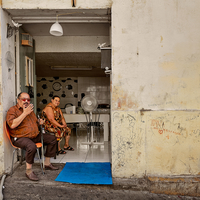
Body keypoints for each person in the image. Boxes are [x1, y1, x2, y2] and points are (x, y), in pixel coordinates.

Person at [6, 92, 58, 181]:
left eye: (28, 100)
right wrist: (25, 113)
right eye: (24, 99)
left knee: (52, 139)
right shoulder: (13, 110)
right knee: (31, 146)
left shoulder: (30, 110)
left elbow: (35, 122)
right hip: (19, 137)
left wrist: (39, 121)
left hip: (33, 136)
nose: (26, 101)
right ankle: (29, 171)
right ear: (18, 100)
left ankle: (47, 163)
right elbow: (12, 125)